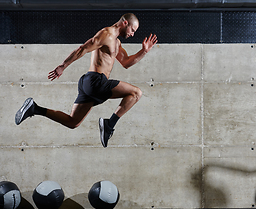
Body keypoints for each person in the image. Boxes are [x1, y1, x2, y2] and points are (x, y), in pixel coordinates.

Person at [15, 13, 158, 148]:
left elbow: (126, 63)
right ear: (125, 23)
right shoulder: (106, 34)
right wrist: (63, 66)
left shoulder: (116, 42)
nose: (132, 34)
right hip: (96, 81)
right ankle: (109, 124)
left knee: (73, 122)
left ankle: (34, 108)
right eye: (132, 30)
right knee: (136, 93)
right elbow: (83, 49)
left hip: (89, 84)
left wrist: (144, 51)